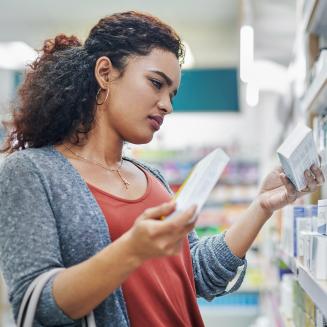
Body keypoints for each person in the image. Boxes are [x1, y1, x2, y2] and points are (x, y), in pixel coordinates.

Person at [0, 11, 323, 327]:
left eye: (172, 93)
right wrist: (131, 251)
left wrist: (261, 206)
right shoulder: (31, 172)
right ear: (105, 73)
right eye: (156, 83)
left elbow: (194, 273)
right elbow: (36, 305)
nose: (167, 104)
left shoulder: (151, 177)